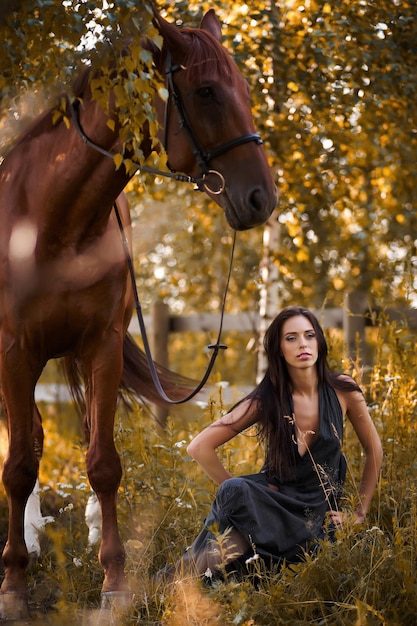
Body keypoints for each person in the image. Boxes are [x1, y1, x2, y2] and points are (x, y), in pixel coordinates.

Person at [159, 306, 383, 581]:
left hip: (319, 517)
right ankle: (181, 580)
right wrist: (241, 502)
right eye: (291, 338)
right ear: (278, 349)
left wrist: (359, 513)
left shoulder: (343, 390)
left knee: (230, 554)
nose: (302, 343)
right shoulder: (266, 398)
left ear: (319, 342)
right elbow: (199, 447)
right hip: (271, 508)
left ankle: (178, 578)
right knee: (234, 490)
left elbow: (374, 449)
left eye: (309, 335)